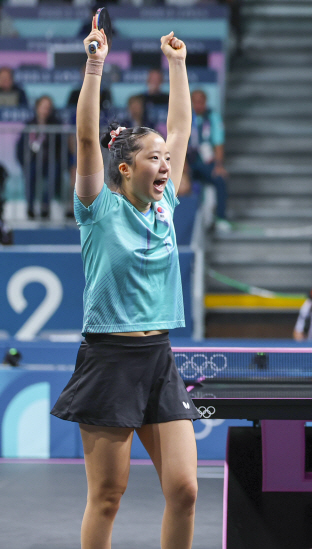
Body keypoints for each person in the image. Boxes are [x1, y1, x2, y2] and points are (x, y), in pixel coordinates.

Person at [50, 25, 200, 549]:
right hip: (109, 359)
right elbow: (85, 137)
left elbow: (180, 130)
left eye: (165, 159)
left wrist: (177, 65)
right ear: (125, 167)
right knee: (109, 496)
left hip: (159, 358)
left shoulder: (165, 205)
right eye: (154, 158)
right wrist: (94, 67)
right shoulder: (97, 209)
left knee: (184, 489)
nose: (165, 165)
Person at [15, 95, 65, 219]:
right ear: (37, 107)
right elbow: (20, 147)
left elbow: (61, 147)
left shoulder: (56, 124)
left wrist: (57, 160)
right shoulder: (29, 124)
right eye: (43, 107)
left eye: (48, 108)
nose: (45, 110)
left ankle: (45, 206)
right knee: (29, 173)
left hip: (51, 161)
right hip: (33, 161)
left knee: (53, 174)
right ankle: (30, 207)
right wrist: (23, 162)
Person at [188, 88, 229, 228]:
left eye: (201, 102)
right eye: (195, 101)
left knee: (220, 178)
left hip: (206, 163)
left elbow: (218, 143)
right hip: (188, 163)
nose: (198, 105)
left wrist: (219, 165)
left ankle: (221, 218)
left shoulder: (213, 117)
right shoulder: (184, 117)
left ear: (205, 102)